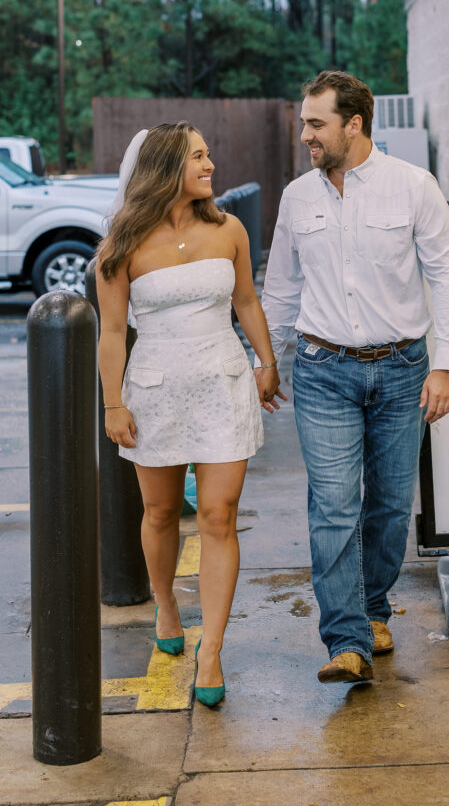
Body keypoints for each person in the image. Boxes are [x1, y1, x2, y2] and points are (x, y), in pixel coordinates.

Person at [255, 71, 449, 683]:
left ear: (354, 124)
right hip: (322, 371)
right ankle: (346, 639)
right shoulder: (298, 197)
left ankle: (374, 608)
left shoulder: (412, 188)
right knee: (334, 507)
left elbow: (447, 276)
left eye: (316, 124)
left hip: (402, 369)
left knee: (392, 507)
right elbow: (282, 288)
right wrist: (267, 362)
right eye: (304, 123)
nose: (305, 136)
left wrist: (446, 364)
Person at [96, 123, 284, 707]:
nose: (210, 163)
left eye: (208, 153)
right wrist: (113, 403)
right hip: (154, 391)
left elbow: (245, 300)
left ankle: (213, 650)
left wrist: (266, 359)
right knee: (160, 512)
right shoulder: (121, 246)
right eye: (199, 156)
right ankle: (168, 604)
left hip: (223, 382)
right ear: (166, 168)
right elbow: (109, 332)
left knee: (219, 516)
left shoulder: (228, 229)